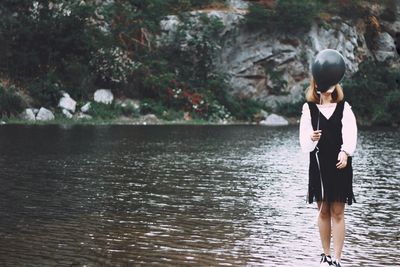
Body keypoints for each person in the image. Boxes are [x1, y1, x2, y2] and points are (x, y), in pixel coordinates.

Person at [299, 79, 357, 267]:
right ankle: (326, 257)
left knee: (338, 212)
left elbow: (350, 134)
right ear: (315, 86)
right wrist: (311, 137)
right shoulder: (309, 109)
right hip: (318, 164)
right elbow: (305, 144)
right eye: (321, 83)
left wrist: (345, 152)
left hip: (340, 163)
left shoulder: (344, 107)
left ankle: (338, 260)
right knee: (323, 211)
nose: (326, 87)